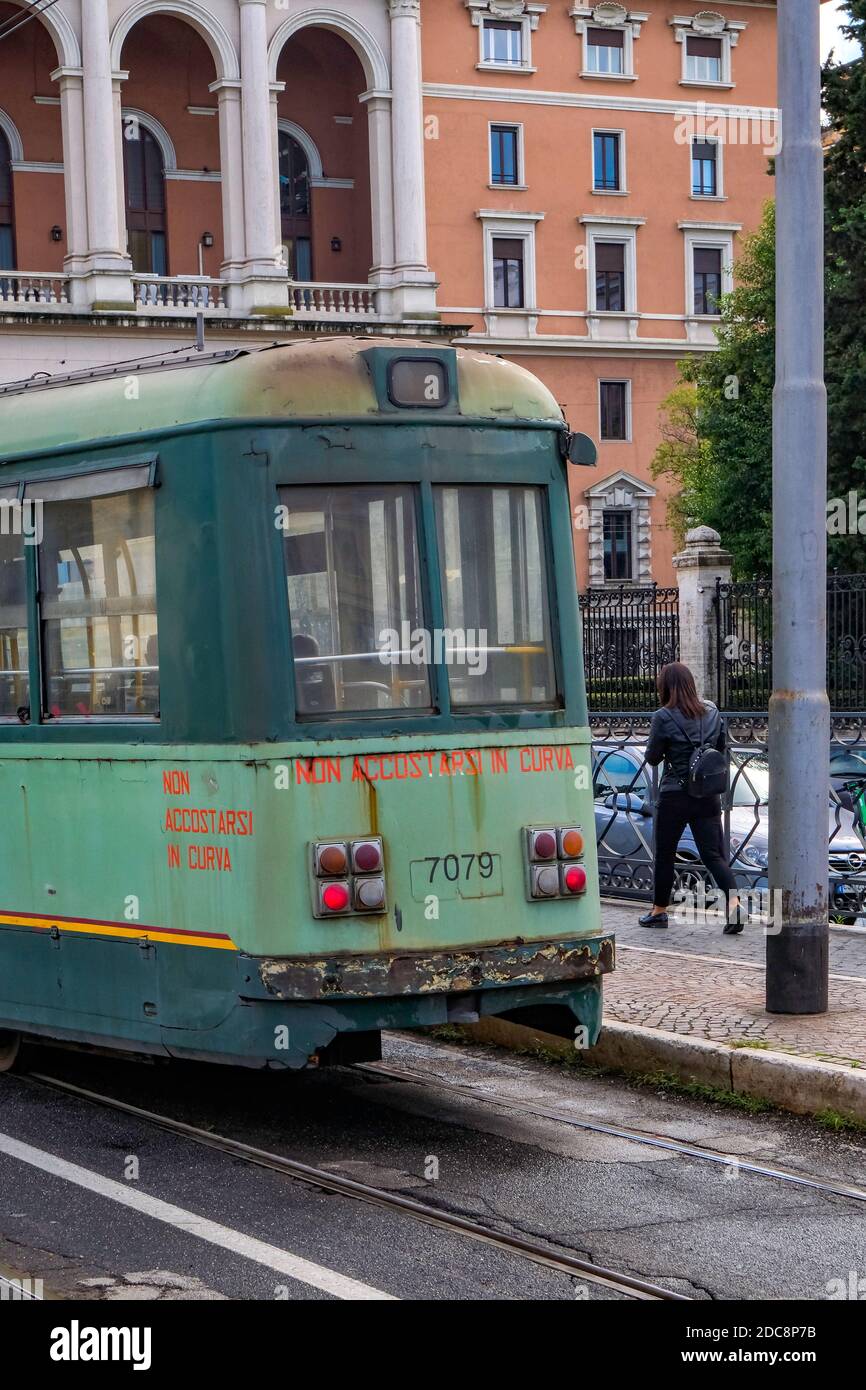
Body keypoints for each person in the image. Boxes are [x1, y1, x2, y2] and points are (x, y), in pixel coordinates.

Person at [639, 661, 742, 934]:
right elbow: (719, 747)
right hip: (707, 794)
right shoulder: (712, 711)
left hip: (675, 794)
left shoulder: (663, 716)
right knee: (713, 855)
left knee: (665, 854)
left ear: (665, 686)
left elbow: (652, 757)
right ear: (691, 684)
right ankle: (734, 906)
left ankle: (659, 912)